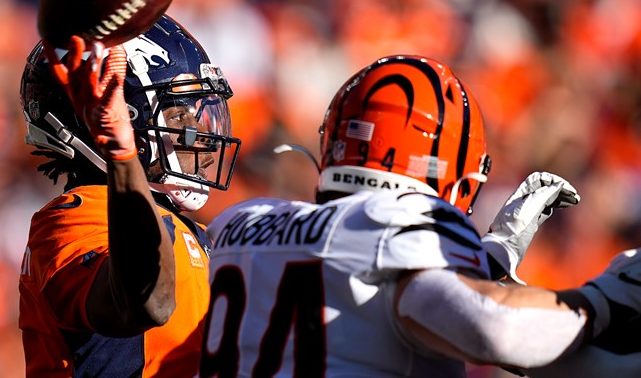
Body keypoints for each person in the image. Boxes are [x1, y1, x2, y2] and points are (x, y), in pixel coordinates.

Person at [199, 55, 641, 377]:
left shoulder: (244, 220)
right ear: (458, 173)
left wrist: (489, 258)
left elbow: (363, 285)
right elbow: (494, 328)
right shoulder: (397, 224)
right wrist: (605, 297)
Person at [18, 15, 241, 377]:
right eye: (179, 113)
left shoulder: (190, 230)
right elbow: (147, 301)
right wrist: (121, 153)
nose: (199, 132)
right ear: (121, 117)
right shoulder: (75, 218)